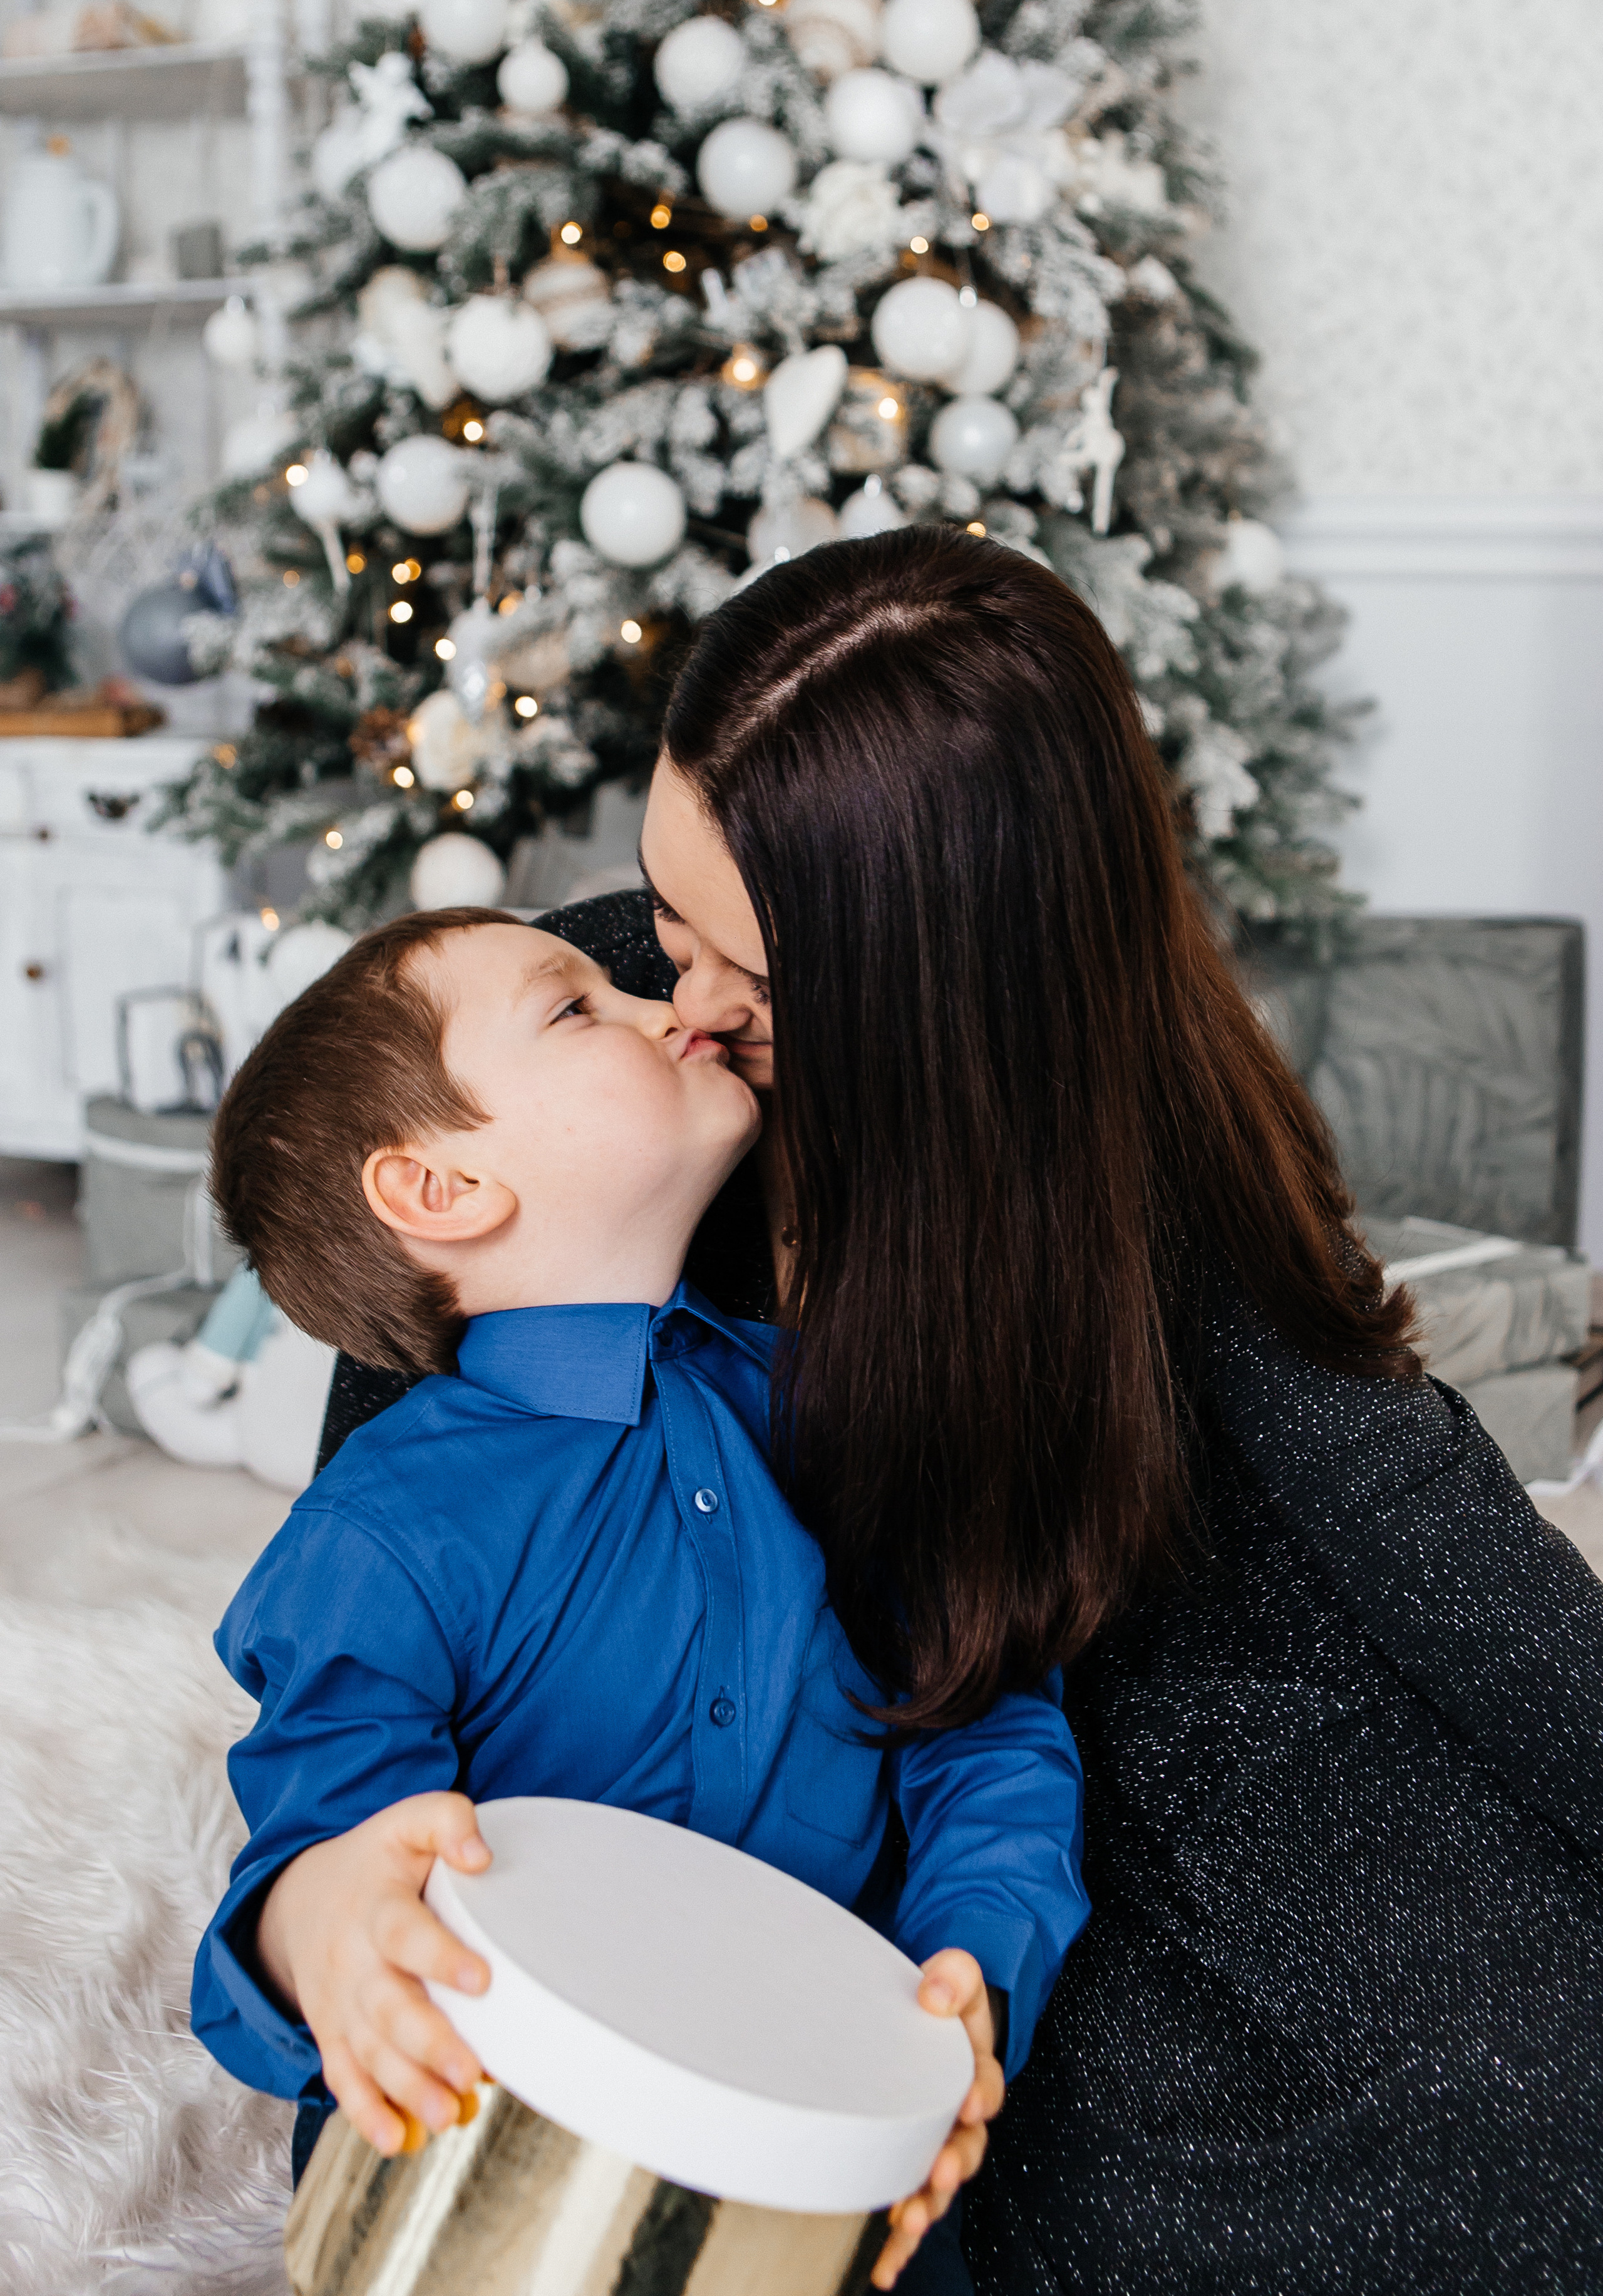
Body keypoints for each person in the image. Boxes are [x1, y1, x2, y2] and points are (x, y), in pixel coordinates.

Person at [321, 525, 1603, 2290]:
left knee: (1499, 2101)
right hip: (782, 1755)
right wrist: (345, 1905)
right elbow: (392, 1566)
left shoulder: (1132, 1133)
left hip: (1068, 1690)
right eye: (663, 910)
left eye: (748, 974)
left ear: (945, 998)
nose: (676, 1005)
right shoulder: (583, 1037)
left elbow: (1410, 1512)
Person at [192, 906, 1088, 2293]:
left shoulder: (831, 1420)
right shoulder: (388, 1526)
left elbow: (982, 1714)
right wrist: (327, 1924)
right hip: (494, 2173)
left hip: (817, 2135)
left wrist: (977, 1956)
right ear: (440, 1190)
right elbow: (322, 1838)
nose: (662, 997)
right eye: (576, 1007)